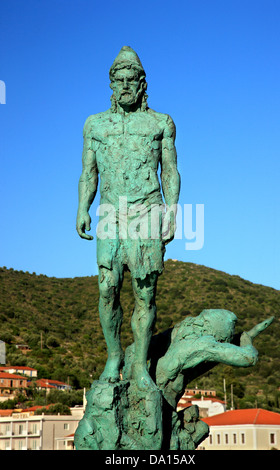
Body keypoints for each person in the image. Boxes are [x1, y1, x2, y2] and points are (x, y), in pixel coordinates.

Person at [76, 46, 180, 390]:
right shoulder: (95, 125)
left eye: (130, 80)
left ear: (141, 83)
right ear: (111, 84)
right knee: (107, 288)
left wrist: (172, 210)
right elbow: (88, 173)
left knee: (144, 293)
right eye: (118, 80)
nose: (124, 86)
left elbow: (171, 171)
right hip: (110, 211)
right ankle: (114, 356)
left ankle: (139, 365)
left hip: (147, 209)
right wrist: (82, 207)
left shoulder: (160, 123)